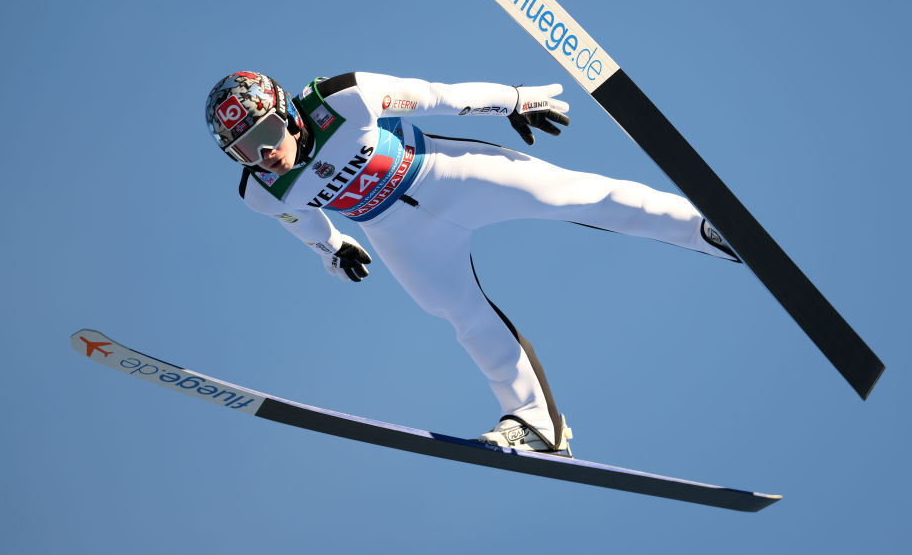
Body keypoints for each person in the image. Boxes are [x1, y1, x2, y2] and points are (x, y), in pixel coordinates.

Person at [204, 71, 739, 456]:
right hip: (398, 231)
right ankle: (535, 424)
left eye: (267, 134)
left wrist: (515, 100)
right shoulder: (262, 191)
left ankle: (704, 228)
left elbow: (440, 97)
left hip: (450, 174)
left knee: (575, 196)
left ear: (290, 116)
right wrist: (334, 249)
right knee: (459, 314)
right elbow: (301, 220)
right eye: (245, 150)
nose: (265, 154)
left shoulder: (343, 100)